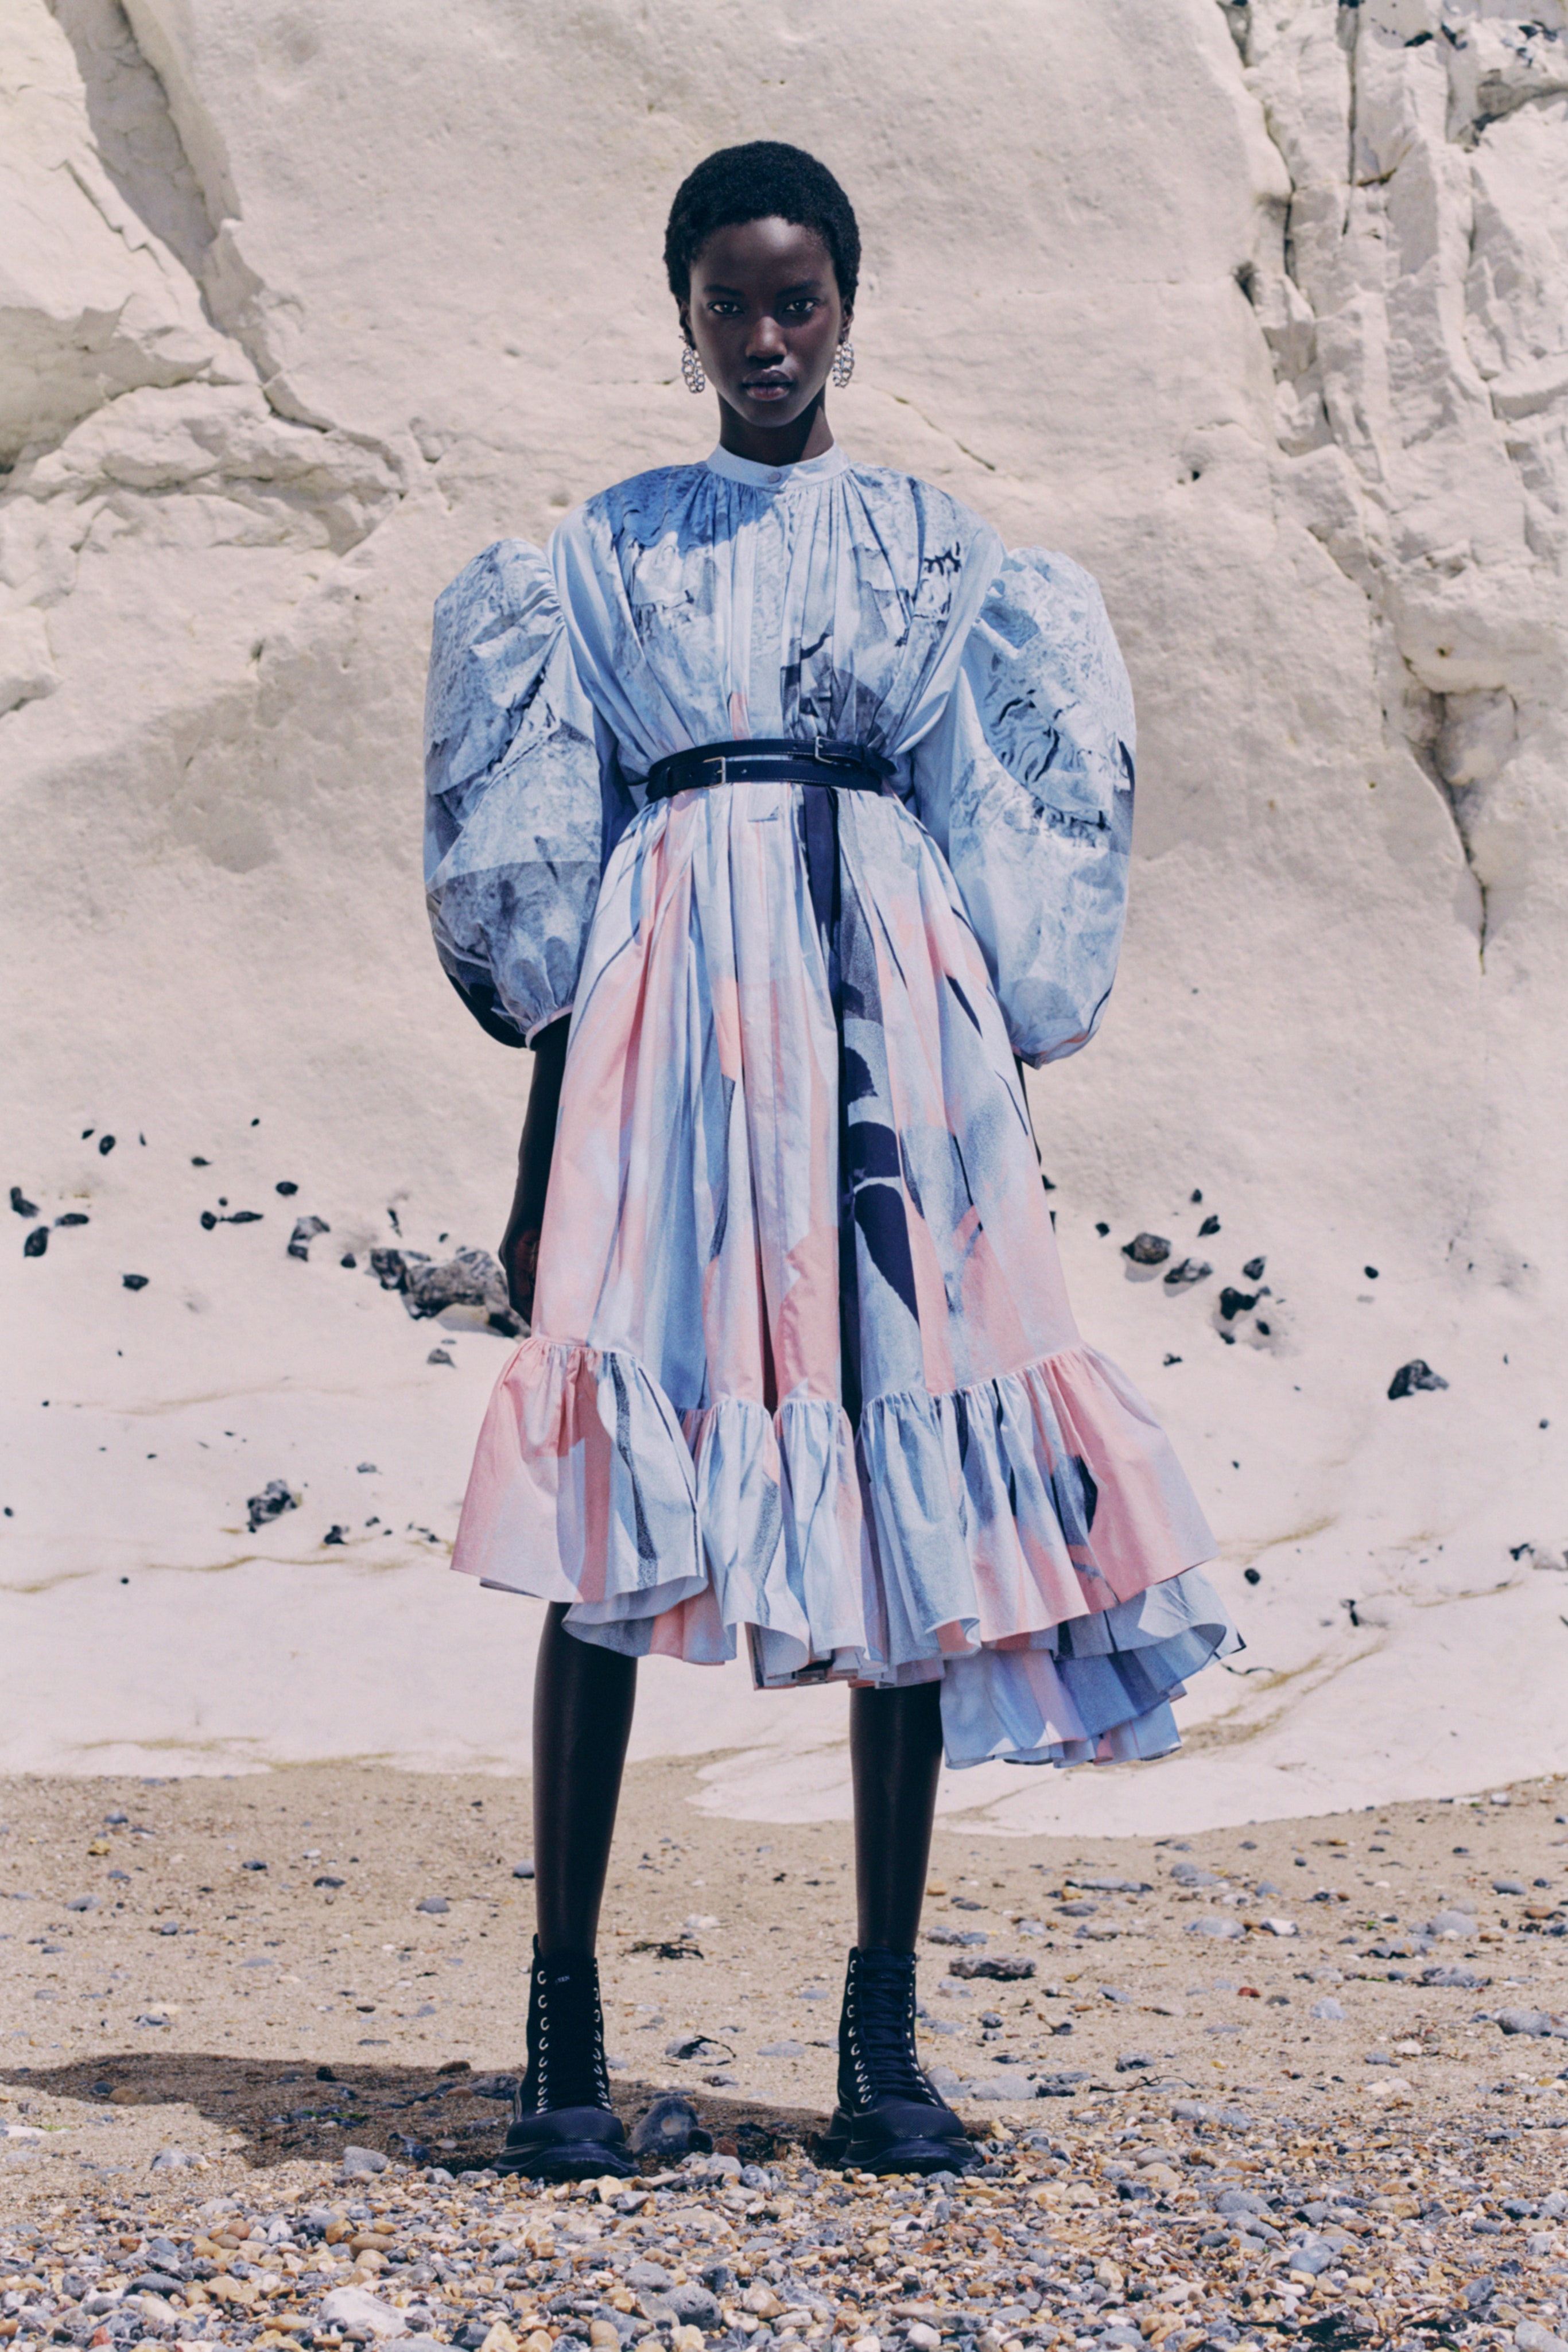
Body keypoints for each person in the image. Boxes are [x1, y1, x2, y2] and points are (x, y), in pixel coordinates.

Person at [424, 141, 1239, 2182]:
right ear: (683, 316)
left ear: (847, 312)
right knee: (616, 1502)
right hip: (667, 1029)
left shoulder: (940, 555)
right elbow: (558, 878)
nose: (766, 338)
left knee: (906, 1513)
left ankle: (881, 2034)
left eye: (798, 301)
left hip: (892, 1037)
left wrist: (994, 1145)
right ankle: (559, 2025)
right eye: (731, 303)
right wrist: (538, 1163)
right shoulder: (600, 555)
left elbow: (998, 841)